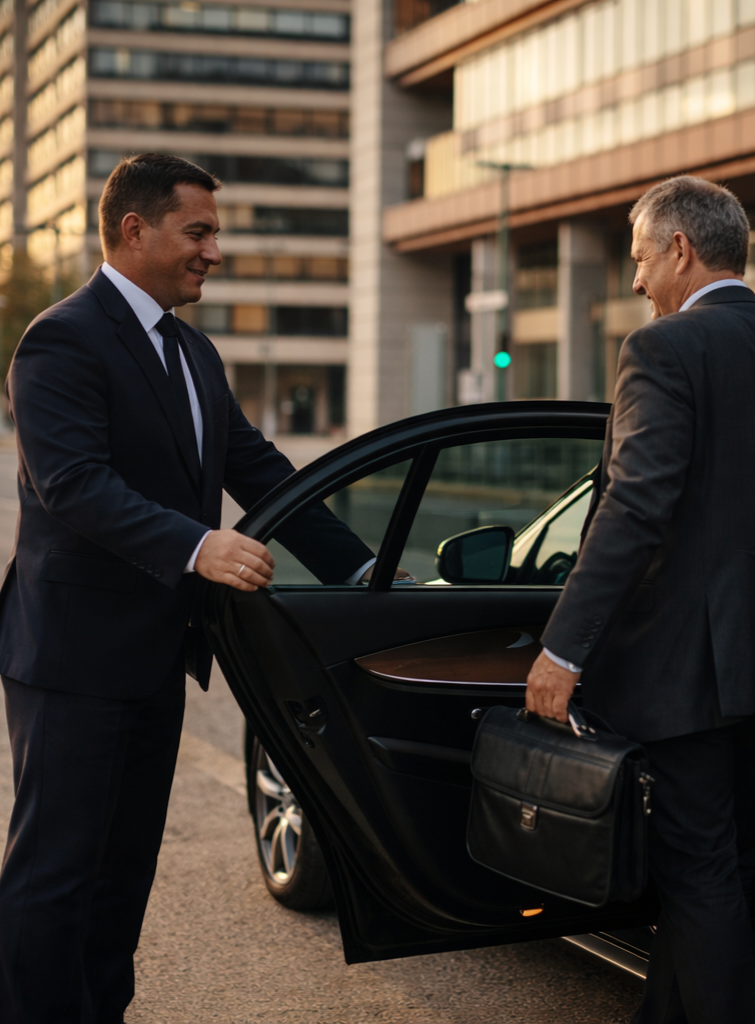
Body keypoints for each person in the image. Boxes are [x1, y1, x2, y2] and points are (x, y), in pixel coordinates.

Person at [0, 153, 380, 1024]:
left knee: (124, 872)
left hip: (155, 655)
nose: (215, 249)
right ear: (134, 230)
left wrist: (361, 568)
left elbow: (257, 466)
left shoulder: (193, 350)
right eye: (198, 230)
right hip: (70, 657)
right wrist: (198, 545)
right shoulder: (61, 336)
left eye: (215, 232)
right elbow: (74, 484)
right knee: (56, 874)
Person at [526, 175, 755, 1024]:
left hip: (691, 674)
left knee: (699, 876)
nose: (635, 283)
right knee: (726, 873)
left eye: (638, 260)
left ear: (680, 249)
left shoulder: (663, 350)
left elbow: (636, 505)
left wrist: (563, 649)